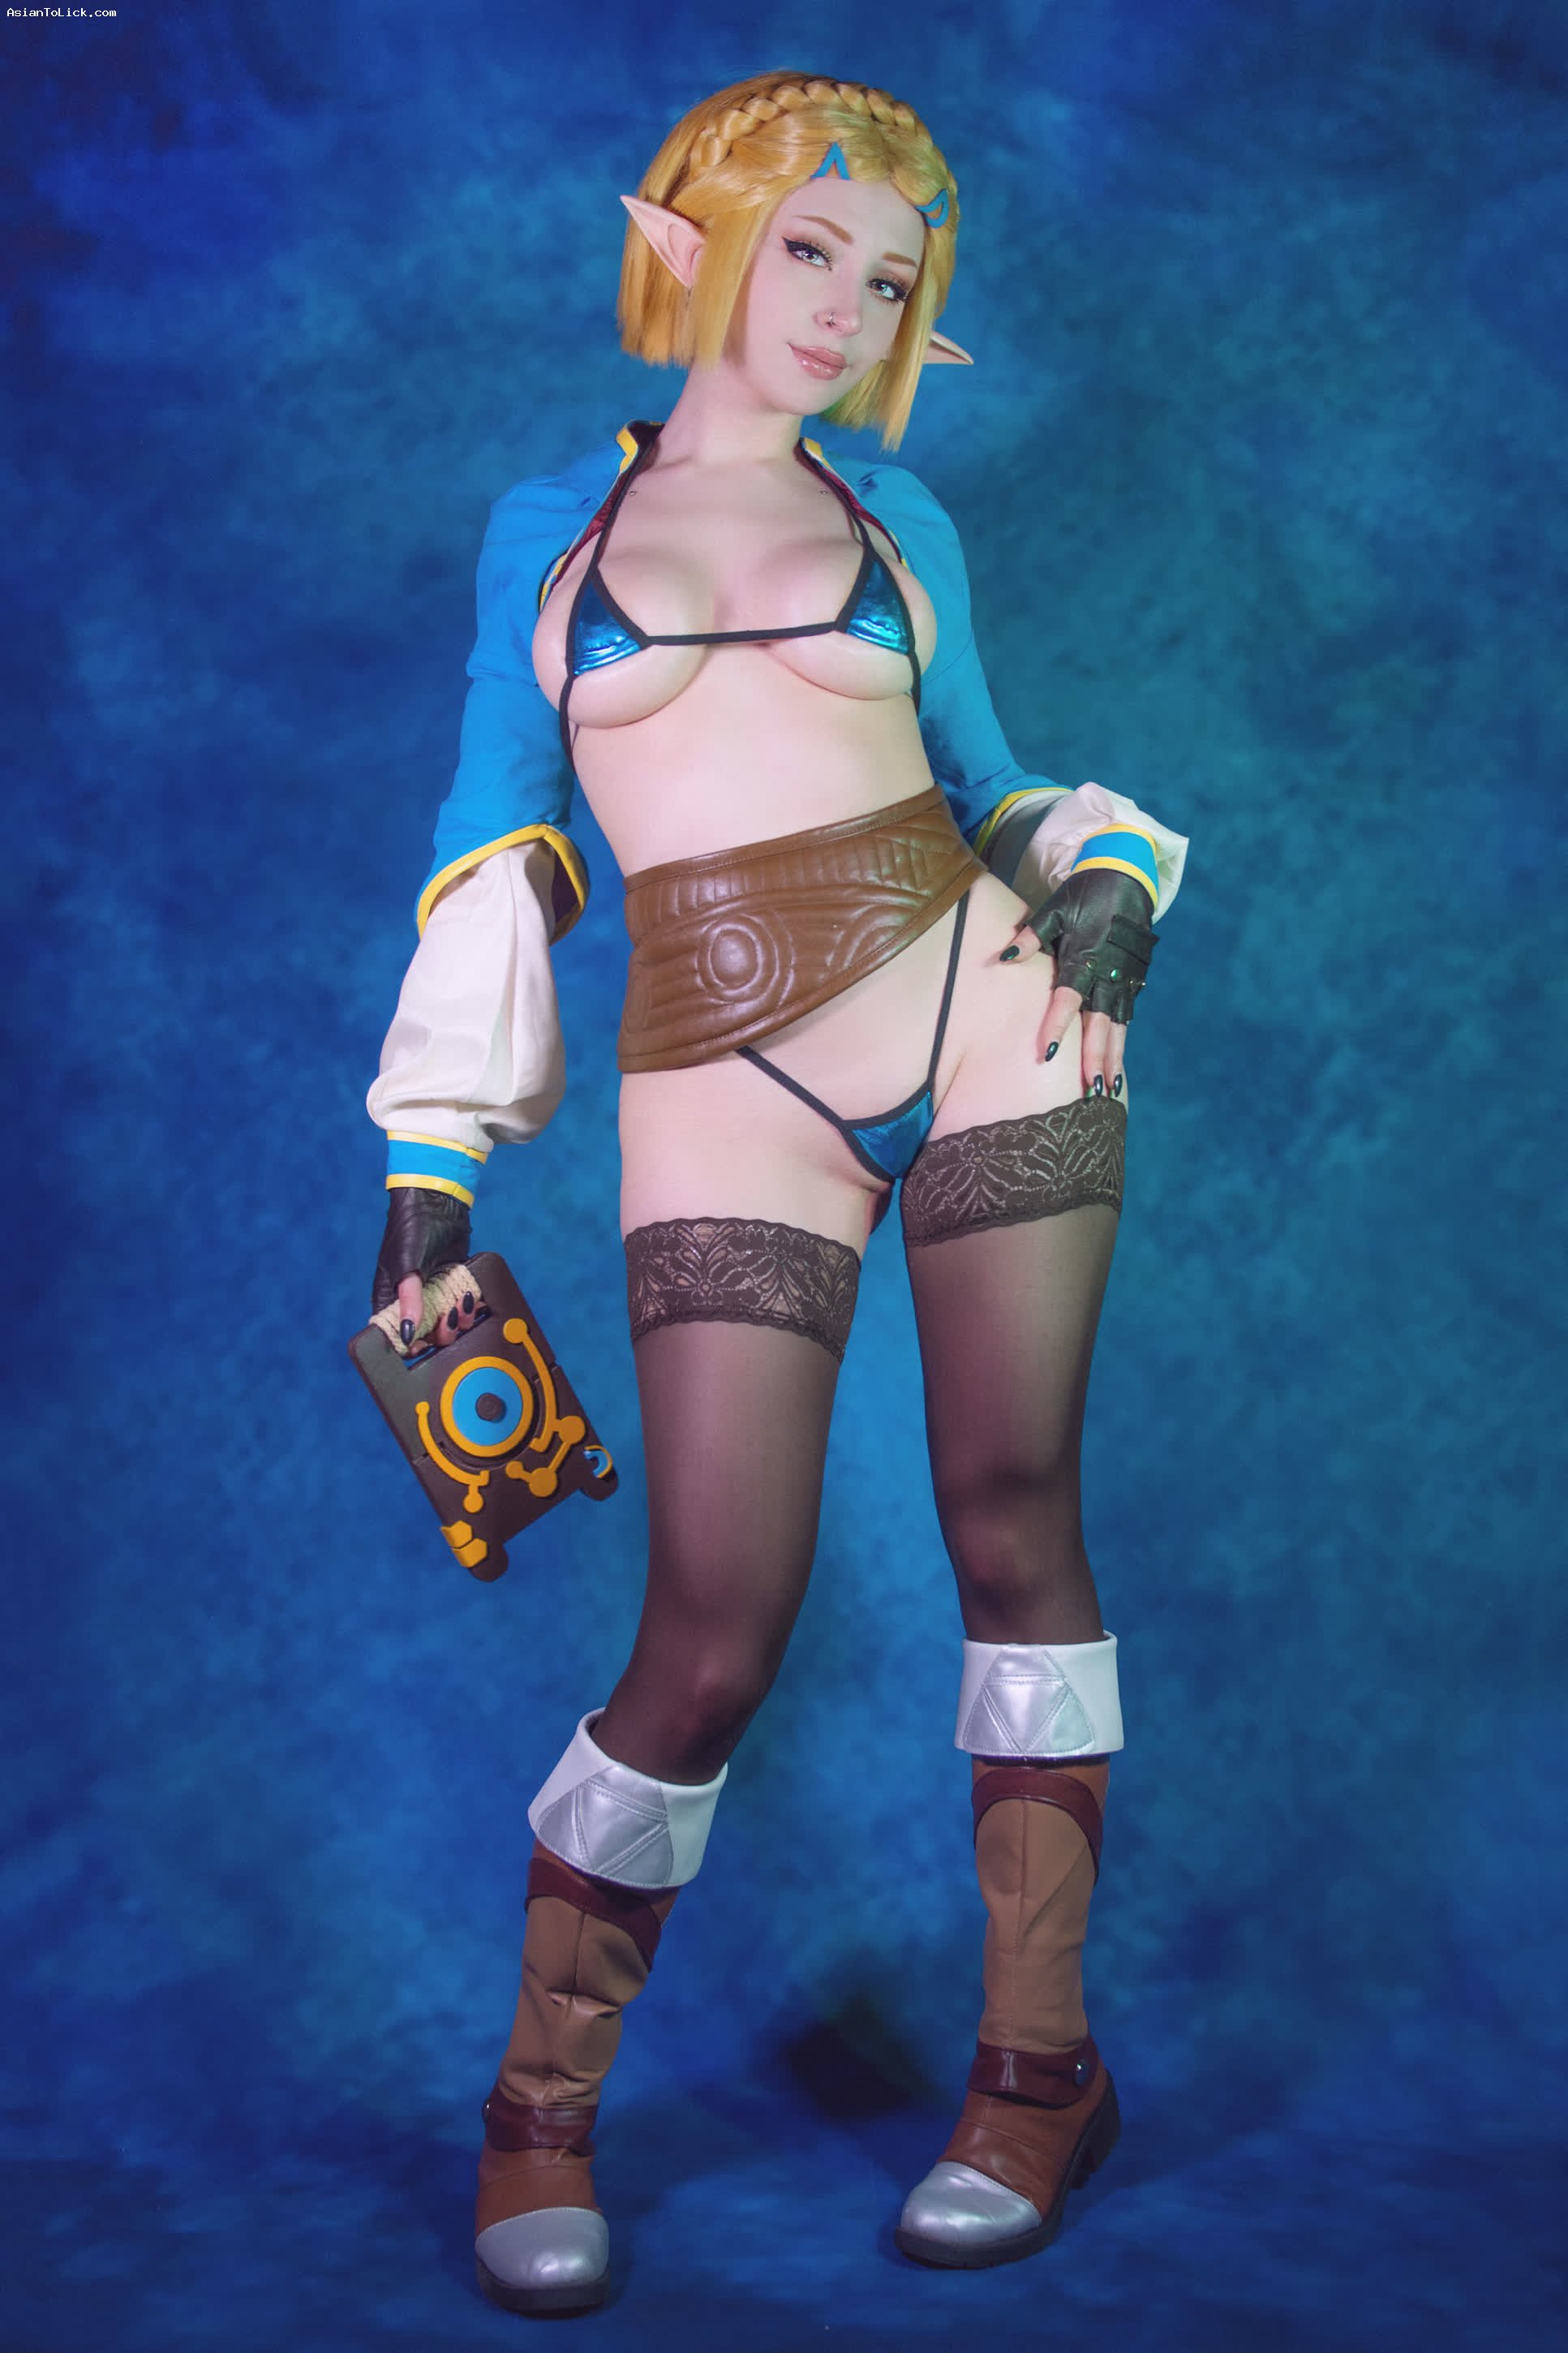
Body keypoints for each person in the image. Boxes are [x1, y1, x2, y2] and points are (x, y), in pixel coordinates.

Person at [365, 71, 1188, 2316]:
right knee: (713, 1622)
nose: (845, 306)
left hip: (994, 1010)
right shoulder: (550, 528)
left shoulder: (901, 517)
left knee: (1013, 1518)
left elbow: (991, 781)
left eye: (892, 280)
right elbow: (502, 833)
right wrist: (434, 1165)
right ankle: (537, 2109)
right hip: (715, 1082)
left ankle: (1040, 2070)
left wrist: (1104, 875)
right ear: (698, 239)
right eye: (810, 247)